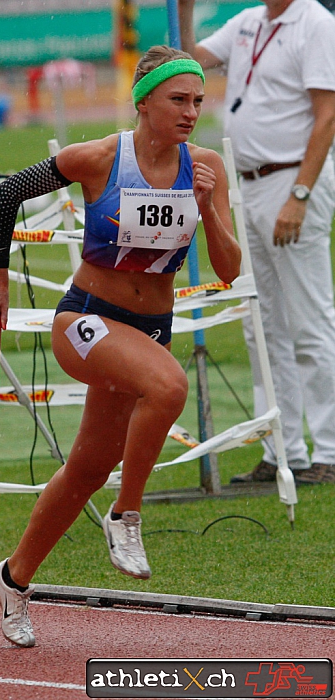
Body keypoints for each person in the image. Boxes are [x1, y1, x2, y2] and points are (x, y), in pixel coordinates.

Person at [0, 45, 241, 648]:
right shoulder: (98, 158)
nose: (191, 112)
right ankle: (126, 516)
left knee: (88, 468)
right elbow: (9, 192)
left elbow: (228, 269)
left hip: (148, 331)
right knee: (169, 386)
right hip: (87, 321)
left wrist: (208, 210)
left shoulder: (204, 168)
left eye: (198, 101)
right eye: (179, 99)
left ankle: (13, 578)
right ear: (144, 102)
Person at [178, 0, 335, 485]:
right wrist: (184, 8)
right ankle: (283, 451)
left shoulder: (315, 22)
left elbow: (327, 115)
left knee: (310, 322)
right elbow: (189, 61)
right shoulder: (249, 20)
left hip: (292, 180)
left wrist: (300, 195)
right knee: (261, 326)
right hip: (247, 184)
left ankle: (329, 451)